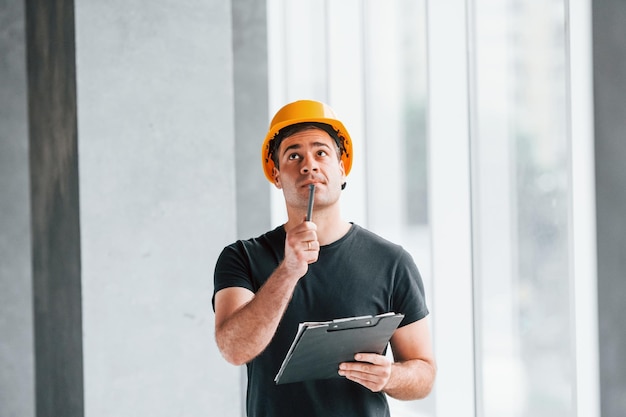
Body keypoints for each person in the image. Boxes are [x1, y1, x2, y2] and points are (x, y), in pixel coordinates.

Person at [213, 99, 436, 417]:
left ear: (341, 167)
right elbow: (234, 349)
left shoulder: (392, 262)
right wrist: (288, 271)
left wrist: (390, 375)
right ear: (276, 175)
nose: (309, 165)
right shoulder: (242, 258)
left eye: (321, 152)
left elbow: (424, 373)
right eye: (293, 155)